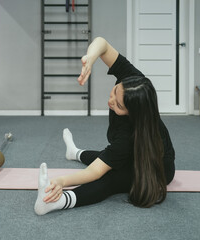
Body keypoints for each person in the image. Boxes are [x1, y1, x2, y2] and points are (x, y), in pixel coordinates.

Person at [34, 37, 175, 215]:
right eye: (115, 92)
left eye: (119, 105)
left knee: (110, 177)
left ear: (132, 113)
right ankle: (74, 152)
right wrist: (90, 59)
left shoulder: (127, 136)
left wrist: (61, 181)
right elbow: (102, 43)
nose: (110, 101)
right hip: (133, 151)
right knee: (106, 157)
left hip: (158, 169)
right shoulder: (135, 81)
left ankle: (56, 203)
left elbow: (95, 171)